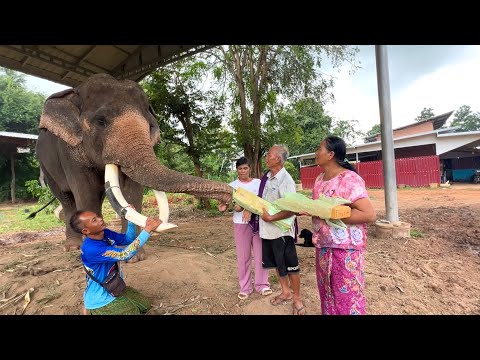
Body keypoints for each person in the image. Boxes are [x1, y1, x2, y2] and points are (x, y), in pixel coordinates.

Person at [310, 135, 376, 315]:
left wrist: (332, 215)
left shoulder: (349, 179)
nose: (316, 152)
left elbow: (368, 214)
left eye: (319, 149)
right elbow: (318, 207)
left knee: (347, 297)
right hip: (324, 246)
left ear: (331, 154)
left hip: (345, 250)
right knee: (327, 294)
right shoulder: (319, 180)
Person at [70, 208, 161, 315]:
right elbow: (125, 254)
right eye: (94, 220)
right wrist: (148, 229)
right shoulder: (92, 248)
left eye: (97, 216)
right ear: (86, 231)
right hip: (101, 299)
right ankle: (91, 310)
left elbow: (127, 239)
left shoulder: (104, 234)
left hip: (114, 287)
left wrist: (131, 219)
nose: (100, 219)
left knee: (145, 304)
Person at [259, 144, 305, 315]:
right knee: (278, 264)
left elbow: (293, 208)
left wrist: (271, 218)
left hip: (282, 232)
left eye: (268, 154)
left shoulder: (286, 181)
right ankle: (285, 292)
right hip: (268, 231)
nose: (266, 157)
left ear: (277, 158)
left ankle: (297, 298)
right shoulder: (268, 177)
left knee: (291, 266)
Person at [229, 157, 272, 300]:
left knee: (260, 255)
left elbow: (264, 202)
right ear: (237, 170)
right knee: (243, 257)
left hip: (259, 223)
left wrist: (250, 209)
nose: (243, 171)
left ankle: (262, 285)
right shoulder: (232, 186)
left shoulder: (258, 183)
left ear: (250, 169)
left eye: (245, 168)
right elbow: (230, 205)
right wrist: (224, 206)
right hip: (240, 224)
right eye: (240, 169)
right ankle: (245, 287)